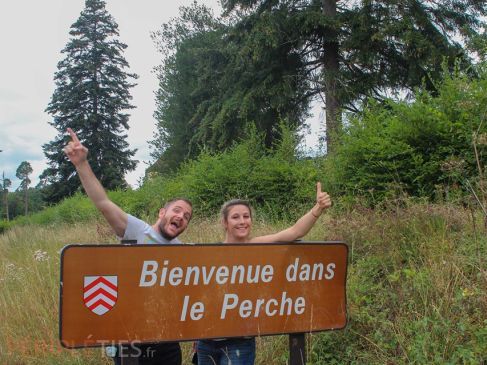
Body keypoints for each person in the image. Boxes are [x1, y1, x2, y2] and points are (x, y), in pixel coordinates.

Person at [63, 128, 192, 365]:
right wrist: (81, 164)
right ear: (162, 212)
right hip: (130, 340)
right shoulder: (136, 230)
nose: (181, 216)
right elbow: (103, 202)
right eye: (177, 210)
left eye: (187, 216)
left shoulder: (183, 251)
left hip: (167, 341)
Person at [196, 183, 332, 365]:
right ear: (225, 223)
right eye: (235, 217)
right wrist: (195, 334)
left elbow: (294, 232)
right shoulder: (211, 253)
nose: (242, 221)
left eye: (246, 216)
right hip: (207, 342)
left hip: (240, 341)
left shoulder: (257, 245)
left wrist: (318, 209)